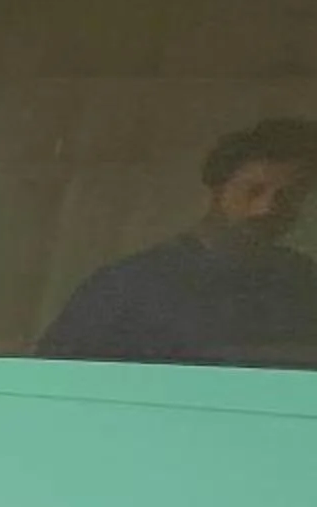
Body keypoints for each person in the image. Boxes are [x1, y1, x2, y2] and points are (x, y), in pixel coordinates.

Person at [38, 119, 317, 366]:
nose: (266, 208)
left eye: (289, 196)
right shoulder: (127, 286)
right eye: (253, 191)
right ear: (217, 190)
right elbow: (56, 383)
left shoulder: (304, 281)